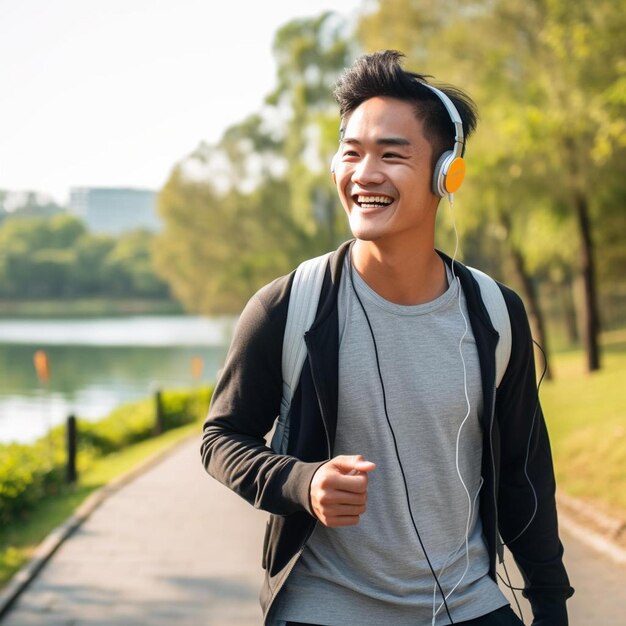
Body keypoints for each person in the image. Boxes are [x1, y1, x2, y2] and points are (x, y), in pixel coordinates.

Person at [201, 49, 573, 626]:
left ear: (446, 174)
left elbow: (524, 469)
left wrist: (550, 600)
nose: (365, 173)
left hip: (470, 607)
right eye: (352, 153)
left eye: (391, 156)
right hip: (322, 610)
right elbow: (221, 439)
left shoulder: (496, 312)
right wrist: (303, 481)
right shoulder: (287, 306)